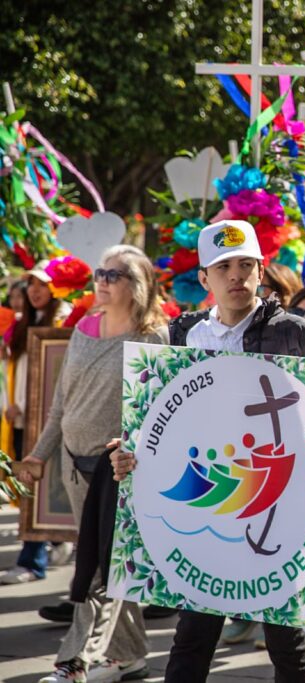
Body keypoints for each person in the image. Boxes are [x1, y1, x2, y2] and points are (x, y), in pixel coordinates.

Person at [109, 220, 305, 683]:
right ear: (206, 277)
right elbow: (150, 423)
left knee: (284, 642)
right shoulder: (181, 337)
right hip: (205, 515)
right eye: (223, 267)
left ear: (261, 270)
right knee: (192, 637)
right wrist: (126, 452)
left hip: (277, 511)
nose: (236, 276)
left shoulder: (302, 337)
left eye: (245, 265)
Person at [15, 245, 169, 683]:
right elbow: (62, 405)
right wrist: (39, 455)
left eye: (114, 274)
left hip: (119, 472)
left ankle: (74, 663)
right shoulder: (84, 326)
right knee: (110, 566)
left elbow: (158, 412)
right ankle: (131, 655)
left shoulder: (154, 337)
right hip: (72, 466)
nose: (101, 279)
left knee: (97, 569)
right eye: (100, 272)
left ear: (137, 285)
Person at [0, 267, 70, 586]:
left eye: (43, 284)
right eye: (31, 284)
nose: (35, 290)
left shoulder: (64, 322)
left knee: (42, 490)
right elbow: (11, 370)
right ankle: (53, 544)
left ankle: (32, 561)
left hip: (50, 423)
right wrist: (9, 405)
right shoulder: (19, 325)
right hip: (20, 420)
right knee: (29, 489)